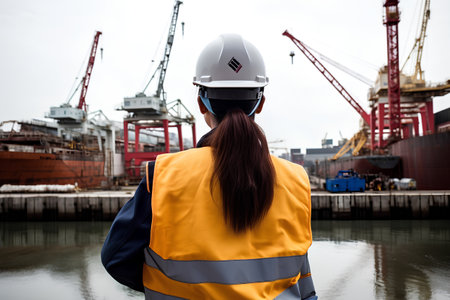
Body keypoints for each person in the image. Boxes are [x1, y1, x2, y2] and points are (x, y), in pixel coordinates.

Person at [101, 33, 318, 300]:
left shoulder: (163, 176)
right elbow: (302, 280)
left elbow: (115, 258)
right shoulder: (296, 180)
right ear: (260, 103)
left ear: (201, 101)